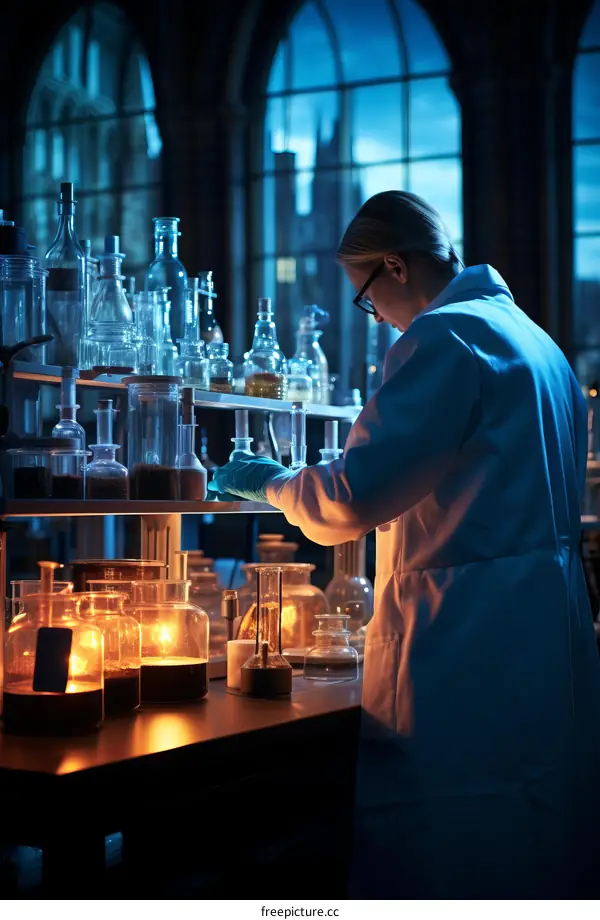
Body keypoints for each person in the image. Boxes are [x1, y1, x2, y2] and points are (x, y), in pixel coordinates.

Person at [209, 190, 600, 896]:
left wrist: (269, 482)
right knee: (532, 840)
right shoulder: (540, 345)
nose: (379, 319)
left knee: (451, 854)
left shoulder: (444, 339)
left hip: (463, 644)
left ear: (394, 265)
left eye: (368, 298)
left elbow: (347, 500)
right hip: (542, 638)